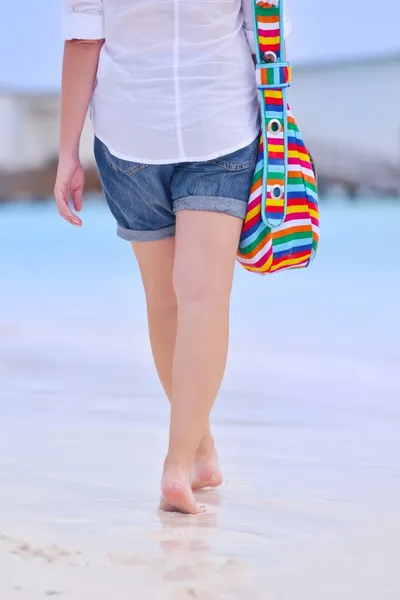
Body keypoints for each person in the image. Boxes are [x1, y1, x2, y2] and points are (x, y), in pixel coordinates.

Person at [55, 0, 291, 514]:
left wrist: (67, 152)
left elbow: (82, 40)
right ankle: (184, 459)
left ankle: (194, 452)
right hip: (221, 126)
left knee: (164, 302)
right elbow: (269, 30)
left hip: (129, 133)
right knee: (204, 297)